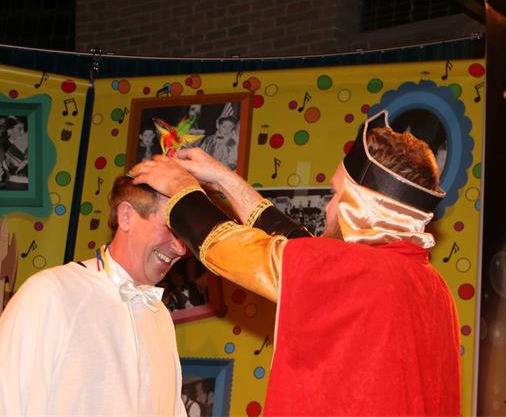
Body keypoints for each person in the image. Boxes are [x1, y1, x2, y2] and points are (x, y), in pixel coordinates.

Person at [131, 110, 461, 416]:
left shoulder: (359, 270)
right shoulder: (431, 287)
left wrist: (180, 187)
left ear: (361, 208)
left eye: (337, 195)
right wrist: (224, 179)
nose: (328, 208)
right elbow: (299, 249)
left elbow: (228, 248)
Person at [0, 176, 188, 416]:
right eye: (170, 228)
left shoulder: (160, 316)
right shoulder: (51, 293)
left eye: (184, 236)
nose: (180, 248)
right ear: (126, 217)